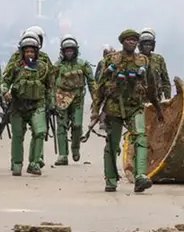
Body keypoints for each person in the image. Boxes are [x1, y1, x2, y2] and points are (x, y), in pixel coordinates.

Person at [91, 29, 163, 193]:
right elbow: (100, 87)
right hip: (114, 108)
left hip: (134, 107)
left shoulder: (143, 61)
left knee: (141, 138)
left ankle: (141, 176)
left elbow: (151, 86)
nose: (131, 42)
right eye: (128, 40)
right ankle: (110, 180)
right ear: (122, 42)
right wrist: (96, 110)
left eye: (134, 40)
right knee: (112, 144)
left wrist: (158, 108)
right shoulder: (111, 59)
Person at [1, 33, 54, 176]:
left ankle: (34, 163)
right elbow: (5, 81)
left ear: (36, 52)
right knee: (18, 135)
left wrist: (51, 104)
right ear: (22, 53)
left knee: (40, 132)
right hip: (17, 106)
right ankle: (17, 164)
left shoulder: (43, 67)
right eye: (27, 51)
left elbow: (50, 87)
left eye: (32, 51)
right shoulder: (15, 66)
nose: (29, 54)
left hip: (37, 105)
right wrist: (5, 92)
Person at [52, 35, 96, 165]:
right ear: (62, 51)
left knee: (77, 125)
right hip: (61, 99)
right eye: (67, 50)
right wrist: (51, 101)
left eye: (71, 50)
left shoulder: (83, 64)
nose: (69, 53)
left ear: (76, 50)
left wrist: (96, 100)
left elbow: (91, 82)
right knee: (61, 126)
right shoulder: (57, 66)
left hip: (77, 99)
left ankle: (75, 148)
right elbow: (50, 83)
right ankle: (62, 155)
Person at [138, 28, 171, 100]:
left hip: (156, 98)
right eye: (145, 45)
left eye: (149, 45)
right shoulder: (135, 58)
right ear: (140, 45)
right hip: (138, 98)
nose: (147, 47)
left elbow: (165, 81)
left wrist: (168, 98)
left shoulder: (159, 59)